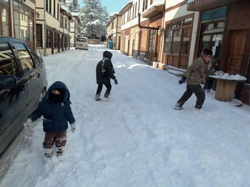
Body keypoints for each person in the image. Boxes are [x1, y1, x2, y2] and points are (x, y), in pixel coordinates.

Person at [24, 81, 76, 158]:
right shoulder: (45, 104)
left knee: (61, 140)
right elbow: (37, 112)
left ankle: (59, 149)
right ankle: (47, 152)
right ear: (50, 92)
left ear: (62, 95)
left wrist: (72, 124)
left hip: (62, 128)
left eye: (57, 93)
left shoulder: (64, 105)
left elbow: (69, 115)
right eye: (53, 92)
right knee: (48, 141)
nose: (55, 94)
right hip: (49, 128)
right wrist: (30, 119)